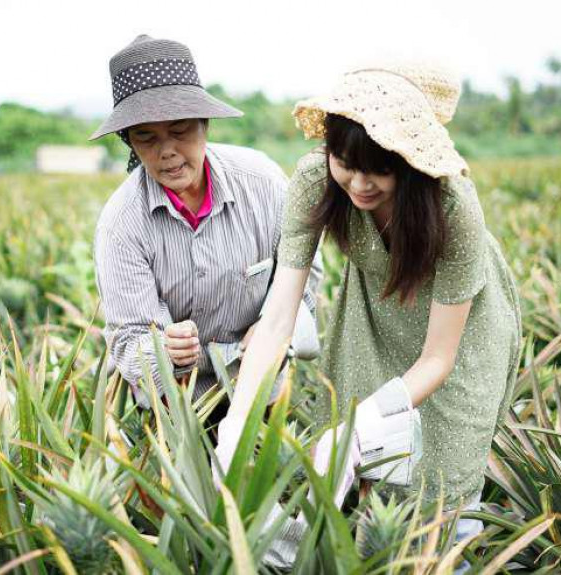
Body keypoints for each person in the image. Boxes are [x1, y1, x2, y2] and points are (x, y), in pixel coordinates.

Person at [215, 64, 522, 566]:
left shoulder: (452, 206)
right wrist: (237, 424)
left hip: (460, 340)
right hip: (374, 321)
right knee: (364, 471)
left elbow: (439, 359)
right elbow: (277, 318)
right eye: (344, 161)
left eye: (379, 168)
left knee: (445, 473)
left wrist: (363, 422)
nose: (358, 183)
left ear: (411, 161)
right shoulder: (316, 179)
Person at [90, 35, 322, 412]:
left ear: (205, 124)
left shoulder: (264, 185)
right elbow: (127, 339)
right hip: (176, 407)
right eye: (146, 138)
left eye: (180, 131)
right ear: (130, 143)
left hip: (262, 387)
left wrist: (271, 326)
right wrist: (163, 349)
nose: (166, 151)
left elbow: (305, 272)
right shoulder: (121, 226)